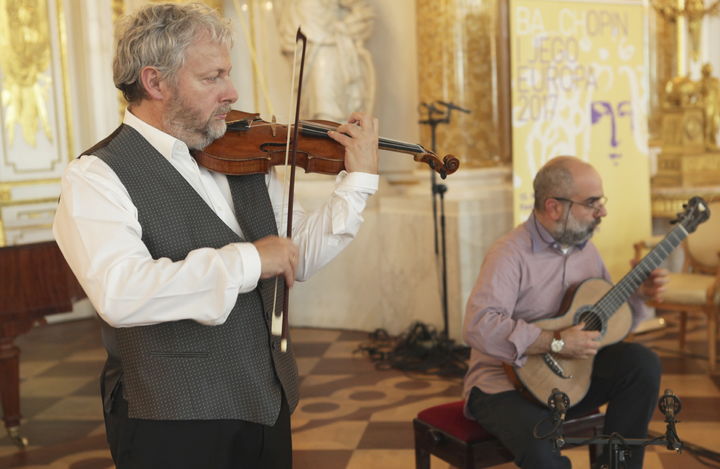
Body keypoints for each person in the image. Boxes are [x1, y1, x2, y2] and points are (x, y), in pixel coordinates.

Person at [52, 3, 379, 469]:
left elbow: (294, 257)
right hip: (173, 420)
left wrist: (358, 183)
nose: (232, 92)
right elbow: (120, 293)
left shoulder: (239, 153)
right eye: (213, 77)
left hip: (266, 401)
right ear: (155, 82)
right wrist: (248, 260)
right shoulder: (96, 176)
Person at [462, 156, 668, 469]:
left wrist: (641, 297)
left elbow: (608, 325)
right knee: (543, 453)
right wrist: (555, 342)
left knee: (641, 363)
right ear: (554, 207)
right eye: (592, 202)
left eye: (601, 201)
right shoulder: (509, 253)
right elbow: (479, 326)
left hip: (570, 379)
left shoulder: (586, 249)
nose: (603, 211)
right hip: (503, 388)